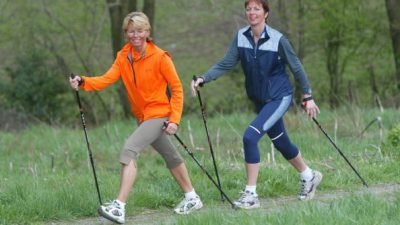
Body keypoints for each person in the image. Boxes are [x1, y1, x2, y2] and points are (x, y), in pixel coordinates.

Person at [70, 12, 203, 224]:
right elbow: (106, 79)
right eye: (131, 31)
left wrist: (175, 120)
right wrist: (83, 81)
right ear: (126, 33)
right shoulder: (123, 56)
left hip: (159, 114)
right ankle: (192, 197)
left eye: (140, 31)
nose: (136, 35)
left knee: (129, 149)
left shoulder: (160, 57)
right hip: (142, 117)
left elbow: (177, 89)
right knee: (171, 156)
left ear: (148, 32)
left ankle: (119, 207)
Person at [191, 0, 322, 209]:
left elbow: (296, 67)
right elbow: (226, 63)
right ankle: (309, 176)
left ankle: (251, 195)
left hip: (279, 97)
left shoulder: (278, 39)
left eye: (257, 9)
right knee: (280, 141)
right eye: (249, 9)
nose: (252, 13)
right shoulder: (241, 36)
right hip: (259, 99)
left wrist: (308, 96)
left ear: (266, 13)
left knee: (250, 137)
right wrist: (204, 78)